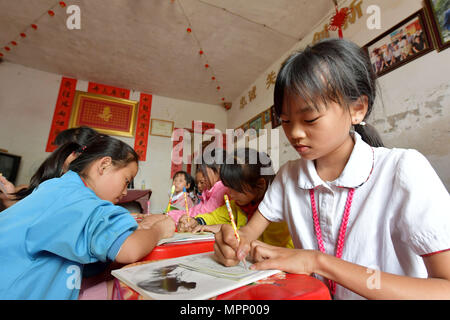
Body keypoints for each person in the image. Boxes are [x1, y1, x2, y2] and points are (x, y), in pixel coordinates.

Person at [213, 38, 450, 300]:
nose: (295, 133)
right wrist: (234, 240)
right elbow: (247, 233)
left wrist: (317, 261)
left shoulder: (402, 170)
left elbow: (445, 288)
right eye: (286, 121)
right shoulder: (288, 176)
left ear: (357, 109)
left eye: (310, 119)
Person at [0, 135, 175, 299]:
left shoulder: (60, 188)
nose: (124, 191)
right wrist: (158, 230)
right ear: (104, 165)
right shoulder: (74, 197)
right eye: (126, 181)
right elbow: (129, 248)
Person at [178, 148, 293, 249]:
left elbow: (270, 247)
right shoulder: (239, 204)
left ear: (260, 185)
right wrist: (196, 221)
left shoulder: (278, 210)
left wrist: (224, 229)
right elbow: (215, 216)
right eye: (228, 187)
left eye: (235, 189)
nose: (230, 194)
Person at [0, 126, 99, 208]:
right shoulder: (58, 182)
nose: (54, 155)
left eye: (59, 149)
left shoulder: (75, 194)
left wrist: (10, 202)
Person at [167, 148, 228, 224]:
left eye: (205, 172)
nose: (203, 177)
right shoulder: (209, 191)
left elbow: (202, 213)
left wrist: (170, 216)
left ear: (218, 169)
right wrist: (169, 215)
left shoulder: (221, 189)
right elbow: (194, 210)